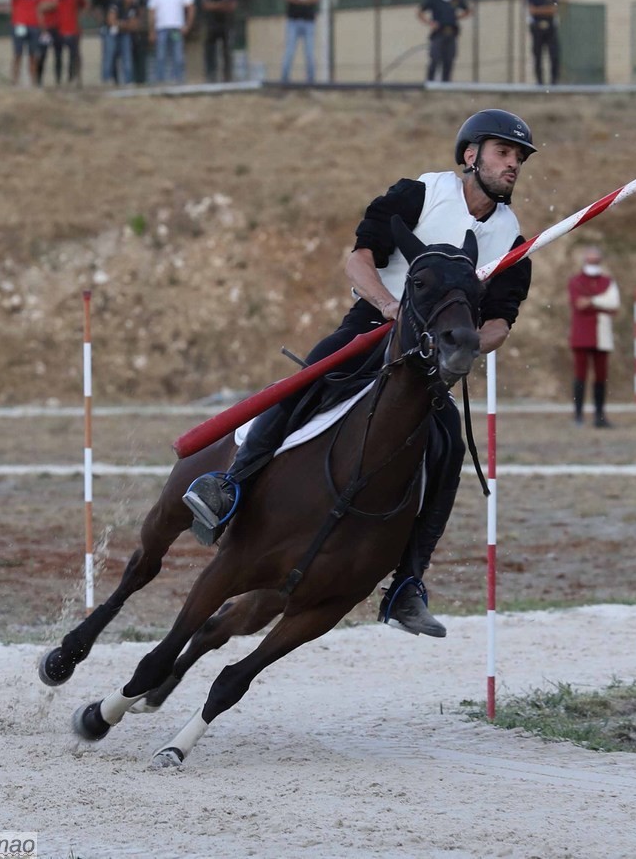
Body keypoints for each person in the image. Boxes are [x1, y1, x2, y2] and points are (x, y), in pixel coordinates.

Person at [183, 109, 536, 639]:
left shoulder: (514, 243)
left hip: (428, 360)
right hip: (373, 326)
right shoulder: (417, 195)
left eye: (519, 159)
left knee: (447, 452)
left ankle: (407, 584)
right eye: (503, 153)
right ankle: (229, 488)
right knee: (299, 388)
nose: (513, 165)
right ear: (470, 156)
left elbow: (500, 324)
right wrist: (392, 308)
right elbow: (359, 260)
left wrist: (461, 347)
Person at [567, 246, 620, 427]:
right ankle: (578, 415)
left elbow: (614, 304)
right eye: (590, 261)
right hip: (581, 334)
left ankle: (600, 415)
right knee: (580, 375)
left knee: (600, 376)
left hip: (602, 334)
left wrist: (591, 301)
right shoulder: (576, 281)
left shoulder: (607, 281)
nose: (593, 264)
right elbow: (578, 305)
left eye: (596, 261)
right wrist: (601, 302)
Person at [418, 0, 470, 83]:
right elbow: (420, 12)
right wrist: (430, 23)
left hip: (451, 33)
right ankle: (430, 82)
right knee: (435, 58)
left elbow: (467, 10)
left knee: (449, 60)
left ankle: (446, 83)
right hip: (438, 33)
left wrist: (456, 17)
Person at [149, 0, 194, 83]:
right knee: (160, 56)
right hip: (161, 28)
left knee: (178, 56)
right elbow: (152, 11)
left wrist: (188, 25)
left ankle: (178, 80)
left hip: (176, 28)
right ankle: (160, 81)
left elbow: (190, 7)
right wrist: (152, 30)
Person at [280, 0, 318, 84]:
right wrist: (303, 1)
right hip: (293, 21)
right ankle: (284, 80)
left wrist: (301, 1)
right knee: (289, 51)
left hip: (309, 21)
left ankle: (311, 81)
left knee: (310, 52)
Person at [202, 0, 237, 82]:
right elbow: (206, 5)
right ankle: (211, 76)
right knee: (210, 51)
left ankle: (227, 76)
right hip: (211, 25)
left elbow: (232, 6)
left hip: (227, 24)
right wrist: (223, 5)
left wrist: (215, 6)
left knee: (227, 52)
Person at [52, 0, 86, 85]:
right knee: (58, 56)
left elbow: (84, 5)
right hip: (58, 29)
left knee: (75, 55)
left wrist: (78, 19)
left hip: (72, 29)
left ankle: (75, 78)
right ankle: (58, 80)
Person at [10, 0, 44, 85]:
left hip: (34, 24)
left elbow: (43, 4)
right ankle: (15, 80)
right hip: (19, 23)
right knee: (17, 54)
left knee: (33, 55)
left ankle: (33, 81)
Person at [526, 0, 559, 86]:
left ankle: (554, 82)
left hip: (550, 27)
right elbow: (532, 10)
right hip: (536, 27)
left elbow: (553, 9)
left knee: (554, 55)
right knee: (537, 55)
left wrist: (539, 10)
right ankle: (539, 81)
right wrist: (545, 10)